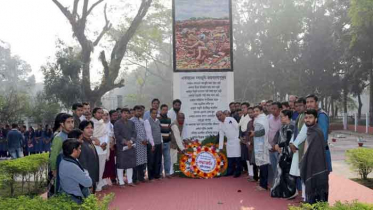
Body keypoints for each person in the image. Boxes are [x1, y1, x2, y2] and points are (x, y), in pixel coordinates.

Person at [300, 109, 329, 204]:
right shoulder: (310, 131)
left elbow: (316, 151)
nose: (307, 120)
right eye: (306, 118)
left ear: (316, 119)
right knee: (312, 192)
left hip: (317, 166)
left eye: (310, 117)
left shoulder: (317, 132)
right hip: (310, 163)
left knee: (317, 191)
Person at [271, 110, 297, 199]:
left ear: (287, 117)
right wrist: (276, 145)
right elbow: (279, 139)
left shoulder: (292, 126)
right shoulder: (283, 126)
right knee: (281, 173)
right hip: (282, 152)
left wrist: (279, 145)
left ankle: (291, 192)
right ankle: (283, 192)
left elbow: (289, 140)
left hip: (289, 153)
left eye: (282, 116)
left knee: (287, 174)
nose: (280, 118)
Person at [59, 139, 92, 204]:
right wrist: (86, 172)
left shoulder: (65, 160)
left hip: (69, 196)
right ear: (74, 150)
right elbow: (88, 182)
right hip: (75, 200)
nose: (80, 151)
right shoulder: (71, 165)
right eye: (79, 148)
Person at [49, 113, 74, 194]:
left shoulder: (71, 136)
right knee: (57, 191)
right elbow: (53, 156)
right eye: (68, 122)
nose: (71, 124)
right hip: (59, 169)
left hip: (68, 169)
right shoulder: (59, 137)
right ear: (62, 124)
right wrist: (53, 170)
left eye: (72, 122)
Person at [114, 108, 137, 187]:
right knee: (121, 164)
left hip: (131, 146)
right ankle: (121, 182)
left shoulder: (132, 123)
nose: (126, 114)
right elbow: (117, 135)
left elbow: (134, 133)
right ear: (121, 114)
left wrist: (130, 142)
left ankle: (130, 181)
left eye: (127, 113)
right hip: (121, 147)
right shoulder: (117, 123)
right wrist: (125, 142)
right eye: (124, 113)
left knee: (130, 164)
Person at [76, 122, 100, 193]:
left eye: (91, 127)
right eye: (87, 128)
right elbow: (83, 164)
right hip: (87, 179)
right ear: (81, 130)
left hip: (92, 176)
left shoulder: (89, 141)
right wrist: (87, 181)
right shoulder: (81, 144)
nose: (90, 130)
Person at [216, 111, 242, 178]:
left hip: (236, 140)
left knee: (237, 157)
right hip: (229, 142)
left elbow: (238, 128)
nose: (219, 117)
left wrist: (239, 138)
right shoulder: (220, 124)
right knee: (230, 158)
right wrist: (220, 147)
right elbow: (221, 136)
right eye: (217, 116)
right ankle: (230, 172)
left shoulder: (231, 119)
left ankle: (238, 172)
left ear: (224, 114)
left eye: (220, 115)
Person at [251, 106, 270, 190]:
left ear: (261, 111)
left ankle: (264, 185)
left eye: (257, 111)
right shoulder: (257, 119)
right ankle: (262, 183)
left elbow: (263, 132)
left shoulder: (263, 119)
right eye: (254, 111)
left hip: (263, 145)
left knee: (263, 164)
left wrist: (254, 133)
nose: (255, 112)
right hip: (258, 144)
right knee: (261, 164)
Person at [91, 107, 109, 191]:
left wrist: (105, 143)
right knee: (94, 168)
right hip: (94, 149)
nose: (101, 114)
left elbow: (106, 135)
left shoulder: (103, 123)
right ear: (94, 113)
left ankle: (99, 184)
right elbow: (89, 136)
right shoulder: (90, 123)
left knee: (102, 168)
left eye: (102, 113)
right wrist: (97, 143)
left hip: (103, 148)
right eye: (98, 112)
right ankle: (94, 185)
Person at [131, 105, 148, 183]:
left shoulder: (141, 120)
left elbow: (144, 131)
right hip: (137, 144)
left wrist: (146, 140)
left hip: (143, 144)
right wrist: (142, 140)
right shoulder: (132, 121)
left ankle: (141, 177)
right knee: (136, 162)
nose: (139, 112)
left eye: (140, 111)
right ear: (134, 112)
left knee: (142, 161)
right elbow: (135, 133)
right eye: (137, 111)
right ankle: (135, 179)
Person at [144, 108, 163, 181]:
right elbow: (149, 134)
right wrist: (152, 144)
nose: (155, 114)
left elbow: (159, 132)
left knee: (158, 160)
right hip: (152, 144)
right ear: (150, 114)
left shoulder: (158, 121)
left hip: (159, 143)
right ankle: (151, 176)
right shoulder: (147, 121)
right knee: (151, 161)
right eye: (153, 113)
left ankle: (157, 175)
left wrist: (161, 142)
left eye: (156, 113)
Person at [268, 102, 282, 184]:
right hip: (270, 147)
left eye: (274, 109)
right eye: (271, 109)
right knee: (273, 167)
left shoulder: (282, 118)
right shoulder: (269, 118)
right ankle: (276, 184)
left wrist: (275, 145)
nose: (272, 110)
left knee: (279, 167)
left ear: (280, 109)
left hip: (278, 147)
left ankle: (280, 184)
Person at [102, 109, 117, 186]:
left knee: (110, 164)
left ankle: (112, 178)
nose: (106, 116)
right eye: (104, 115)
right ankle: (103, 181)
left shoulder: (111, 125)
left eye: (107, 114)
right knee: (103, 164)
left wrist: (112, 144)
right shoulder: (99, 125)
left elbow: (113, 136)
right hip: (103, 147)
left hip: (110, 147)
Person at [244, 107, 258, 182]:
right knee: (251, 160)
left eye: (251, 112)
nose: (250, 114)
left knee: (257, 162)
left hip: (257, 144)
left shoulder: (258, 121)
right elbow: (247, 134)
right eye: (249, 113)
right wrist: (247, 143)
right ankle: (252, 175)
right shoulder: (249, 122)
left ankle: (256, 177)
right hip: (250, 144)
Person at [158, 104, 172, 178]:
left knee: (167, 158)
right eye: (163, 110)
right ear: (160, 110)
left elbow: (169, 130)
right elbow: (157, 131)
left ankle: (167, 173)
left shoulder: (169, 119)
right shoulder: (158, 119)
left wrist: (169, 140)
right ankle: (160, 173)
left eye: (166, 110)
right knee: (160, 159)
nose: (165, 111)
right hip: (160, 142)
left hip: (167, 142)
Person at [238, 102, 251, 175]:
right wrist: (240, 137)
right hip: (242, 137)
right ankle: (249, 172)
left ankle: (252, 174)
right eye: (242, 108)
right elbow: (239, 126)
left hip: (248, 137)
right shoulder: (242, 116)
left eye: (244, 107)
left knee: (249, 156)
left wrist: (246, 138)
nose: (243, 109)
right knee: (245, 156)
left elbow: (249, 128)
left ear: (248, 108)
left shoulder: (249, 116)